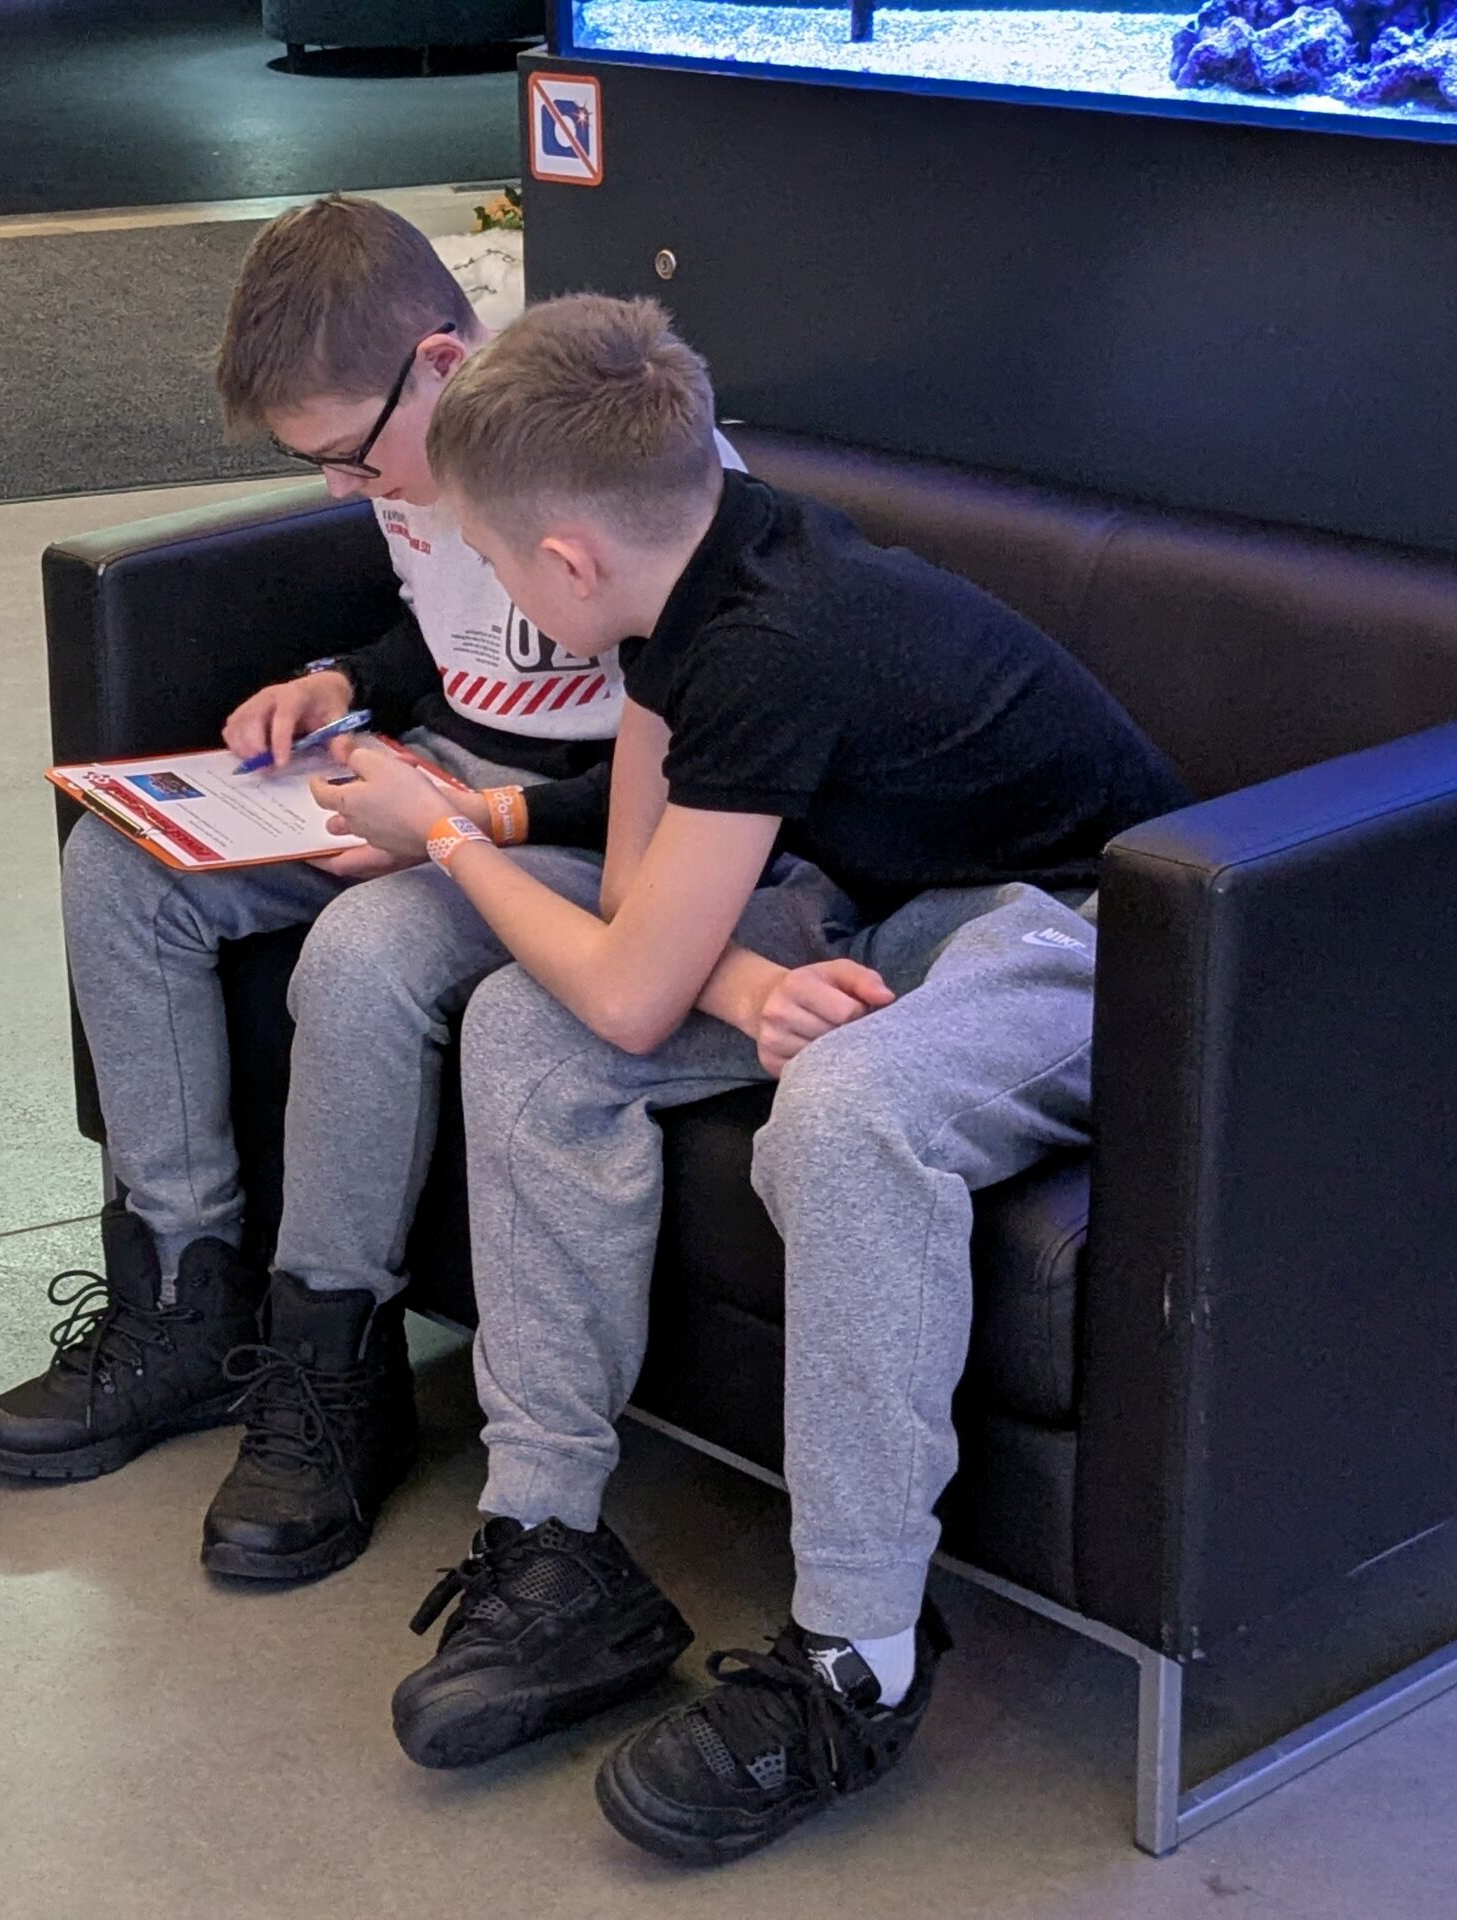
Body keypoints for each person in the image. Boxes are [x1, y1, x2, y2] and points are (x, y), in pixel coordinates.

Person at [315, 295, 1189, 1862]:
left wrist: (441, 833)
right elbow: (634, 910)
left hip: (1083, 936)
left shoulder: (778, 639)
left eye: (496, 563)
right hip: (893, 918)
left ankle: (862, 1654)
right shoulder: (694, 573)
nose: (497, 590)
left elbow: (629, 977)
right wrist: (745, 984)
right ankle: (553, 1545)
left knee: (844, 1117)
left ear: (566, 562)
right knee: (529, 1028)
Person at [0, 196, 748, 1584]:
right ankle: (183, 1298)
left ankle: (335, 1365)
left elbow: (685, 763)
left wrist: (454, 824)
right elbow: (455, 639)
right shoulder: (410, 458)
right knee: (121, 866)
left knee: (366, 949)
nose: (341, 489)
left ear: (443, 363)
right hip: (441, 775)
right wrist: (343, 683)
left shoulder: (599, 463)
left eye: (347, 454)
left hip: (588, 827)